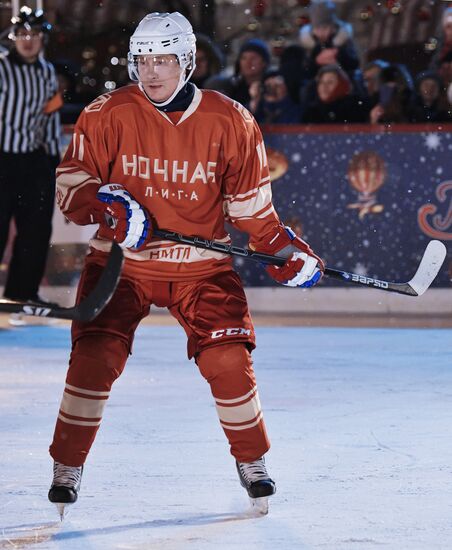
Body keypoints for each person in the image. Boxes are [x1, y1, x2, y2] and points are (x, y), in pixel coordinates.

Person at [47, 12, 324, 517]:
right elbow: (72, 187)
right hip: (121, 264)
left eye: (164, 60)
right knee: (94, 357)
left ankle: (252, 461)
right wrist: (108, 206)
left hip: (203, 266)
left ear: (188, 62)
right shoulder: (107, 112)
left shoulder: (231, 120)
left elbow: (252, 213)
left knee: (228, 361)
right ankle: (67, 464)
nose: (151, 72)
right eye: (143, 60)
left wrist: (289, 253)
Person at [0, 6, 61, 314]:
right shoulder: (1, 67)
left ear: (42, 40)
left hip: (34, 160)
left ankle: (21, 295)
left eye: (34, 35)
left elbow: (50, 117)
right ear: (13, 37)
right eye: (22, 34)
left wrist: (53, 160)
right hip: (2, 158)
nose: (28, 41)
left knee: (35, 232)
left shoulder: (48, 73)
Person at [299, 0, 359, 81]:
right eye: (317, 28)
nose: (321, 33)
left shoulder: (343, 42)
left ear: (333, 27)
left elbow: (354, 66)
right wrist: (316, 62)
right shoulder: (310, 45)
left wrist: (339, 56)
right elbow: (305, 72)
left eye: (325, 28)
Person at [302, 64, 369, 123]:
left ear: (342, 85)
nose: (324, 86)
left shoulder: (355, 107)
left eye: (330, 82)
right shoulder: (311, 112)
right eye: (321, 82)